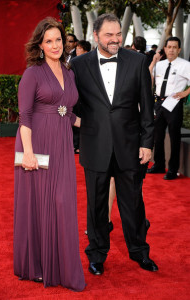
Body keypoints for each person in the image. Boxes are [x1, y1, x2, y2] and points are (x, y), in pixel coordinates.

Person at [71, 13, 158, 276]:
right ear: (95, 36)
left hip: (129, 146)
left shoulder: (137, 61)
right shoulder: (78, 65)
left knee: (132, 203)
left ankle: (139, 252)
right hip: (95, 145)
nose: (115, 39)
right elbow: (73, 106)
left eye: (118, 33)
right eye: (109, 35)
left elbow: (147, 106)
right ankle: (96, 254)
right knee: (96, 205)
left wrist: (147, 143)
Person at [14, 17, 85, 291]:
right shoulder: (33, 73)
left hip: (63, 145)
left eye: (58, 39)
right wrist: (28, 153)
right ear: (40, 45)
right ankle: (37, 265)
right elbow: (25, 116)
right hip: (36, 143)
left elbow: (66, 114)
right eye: (49, 41)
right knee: (38, 202)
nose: (55, 45)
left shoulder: (69, 73)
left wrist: (101, 126)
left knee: (62, 201)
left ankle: (60, 264)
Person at [147, 37, 190, 180]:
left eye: (174, 47)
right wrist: (153, 62)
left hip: (174, 103)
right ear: (164, 49)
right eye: (169, 47)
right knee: (157, 136)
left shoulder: (185, 65)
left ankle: (172, 169)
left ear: (179, 49)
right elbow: (149, 79)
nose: (171, 49)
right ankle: (159, 164)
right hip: (159, 103)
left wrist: (185, 93)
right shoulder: (159, 64)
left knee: (174, 137)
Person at [73, 40, 92, 154]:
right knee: (75, 120)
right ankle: (75, 144)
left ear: (85, 50)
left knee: (83, 121)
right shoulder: (74, 62)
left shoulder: (90, 62)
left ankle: (81, 145)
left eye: (79, 48)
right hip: (76, 96)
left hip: (86, 96)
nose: (77, 50)